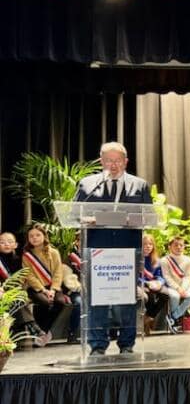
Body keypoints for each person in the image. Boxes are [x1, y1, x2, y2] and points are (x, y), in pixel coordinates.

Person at [74, 141, 152, 355]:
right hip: (97, 249)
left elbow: (148, 215)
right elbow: (75, 214)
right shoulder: (88, 184)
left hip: (128, 249)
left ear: (126, 162)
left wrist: (128, 219)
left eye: (118, 161)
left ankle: (127, 344)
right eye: (108, 160)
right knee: (97, 298)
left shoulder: (140, 185)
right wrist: (89, 219)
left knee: (127, 298)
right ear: (101, 161)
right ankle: (97, 345)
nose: (113, 165)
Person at [21, 224, 77, 347]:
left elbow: (58, 272)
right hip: (35, 288)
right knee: (45, 302)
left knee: (61, 302)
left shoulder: (54, 252)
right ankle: (40, 333)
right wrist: (43, 290)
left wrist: (53, 289)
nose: (34, 238)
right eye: (31, 236)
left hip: (52, 287)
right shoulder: (27, 255)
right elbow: (29, 276)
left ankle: (45, 331)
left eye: (38, 235)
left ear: (44, 236)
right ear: (28, 239)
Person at [0, 231, 42, 340]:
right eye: (2, 242)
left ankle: (27, 329)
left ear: (16, 245)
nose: (6, 244)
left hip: (16, 292)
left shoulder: (20, 260)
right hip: (2, 292)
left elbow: (25, 279)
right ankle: (33, 327)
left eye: (10, 242)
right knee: (17, 299)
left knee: (19, 298)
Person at [160, 236, 190, 334]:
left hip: (183, 286)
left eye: (181, 245)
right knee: (175, 296)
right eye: (176, 245)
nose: (179, 247)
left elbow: (187, 276)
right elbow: (167, 277)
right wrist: (177, 288)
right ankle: (174, 323)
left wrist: (182, 288)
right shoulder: (164, 260)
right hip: (169, 285)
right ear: (170, 247)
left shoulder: (188, 260)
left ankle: (173, 317)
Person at [139, 234, 168, 335]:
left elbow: (160, 275)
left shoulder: (157, 260)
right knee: (150, 296)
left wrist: (159, 283)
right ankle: (147, 324)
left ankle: (148, 318)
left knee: (165, 295)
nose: (148, 246)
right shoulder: (137, 259)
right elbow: (135, 277)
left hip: (155, 284)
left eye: (150, 244)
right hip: (142, 284)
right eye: (145, 244)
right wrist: (147, 283)